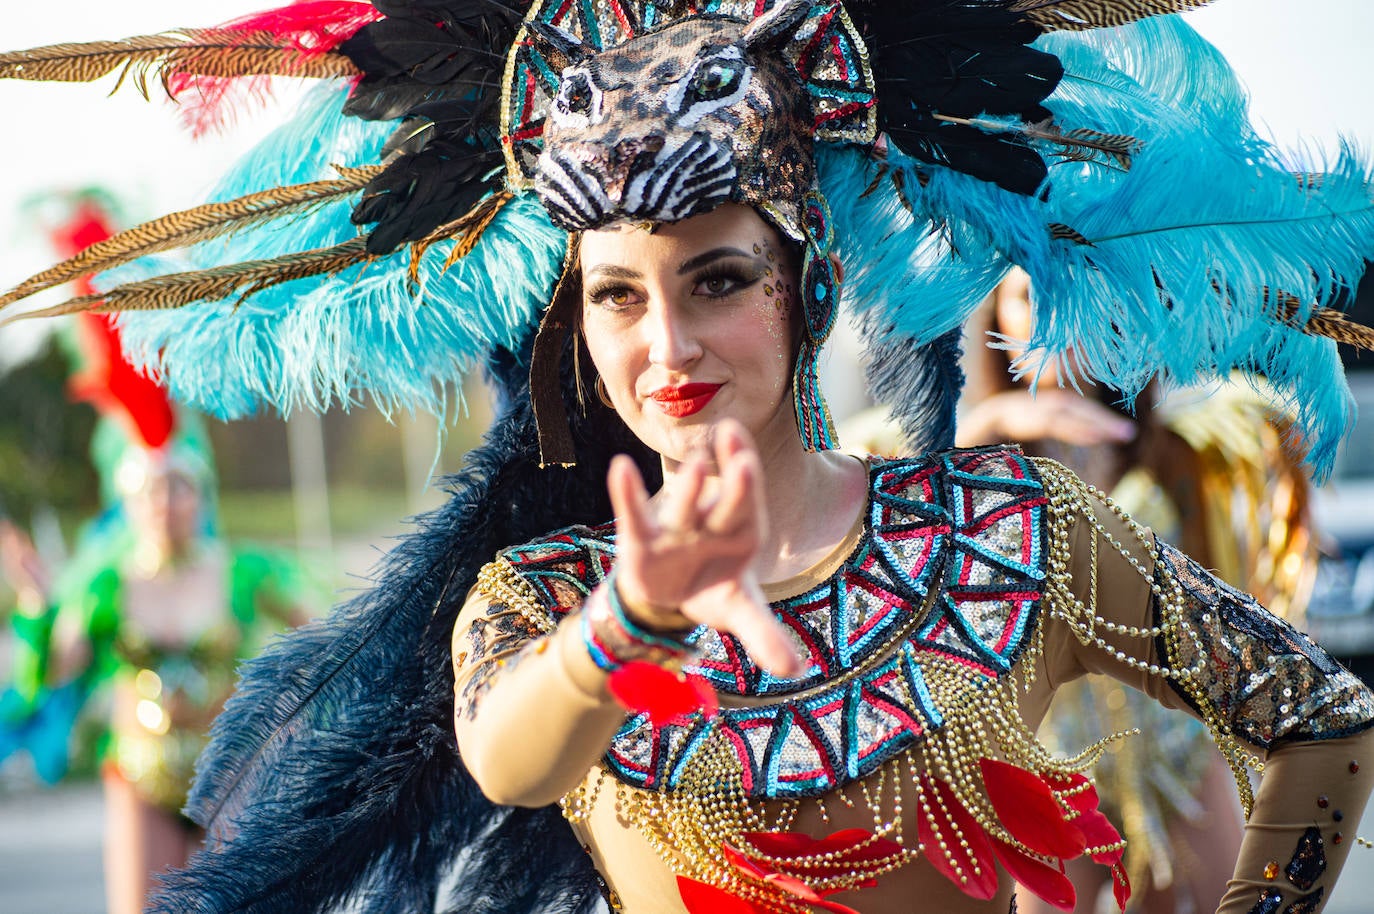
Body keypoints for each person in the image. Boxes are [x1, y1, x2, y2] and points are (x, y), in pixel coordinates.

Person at [3, 2, 1374, 913]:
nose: (665, 341)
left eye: (715, 279)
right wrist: (631, 620)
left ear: (806, 289)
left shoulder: (1011, 535)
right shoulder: (543, 602)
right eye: (616, 293)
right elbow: (508, 759)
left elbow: (1323, 721)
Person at [949, 269, 1318, 913]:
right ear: (996, 319)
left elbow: (1209, 599)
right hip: (1054, 760)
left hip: (1172, 745)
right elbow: (951, 581)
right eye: (1030, 295)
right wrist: (991, 424)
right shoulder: (975, 454)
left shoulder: (1170, 450)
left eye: (1074, 290)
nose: (1055, 312)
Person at [0, 196, 313, 914]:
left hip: (229, 775)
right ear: (129, 497)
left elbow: (322, 644)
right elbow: (61, 670)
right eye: (152, 489)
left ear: (199, 494)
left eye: (178, 488)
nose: (166, 503)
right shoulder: (108, 585)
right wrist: (35, 609)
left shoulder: (244, 574)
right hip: (138, 783)